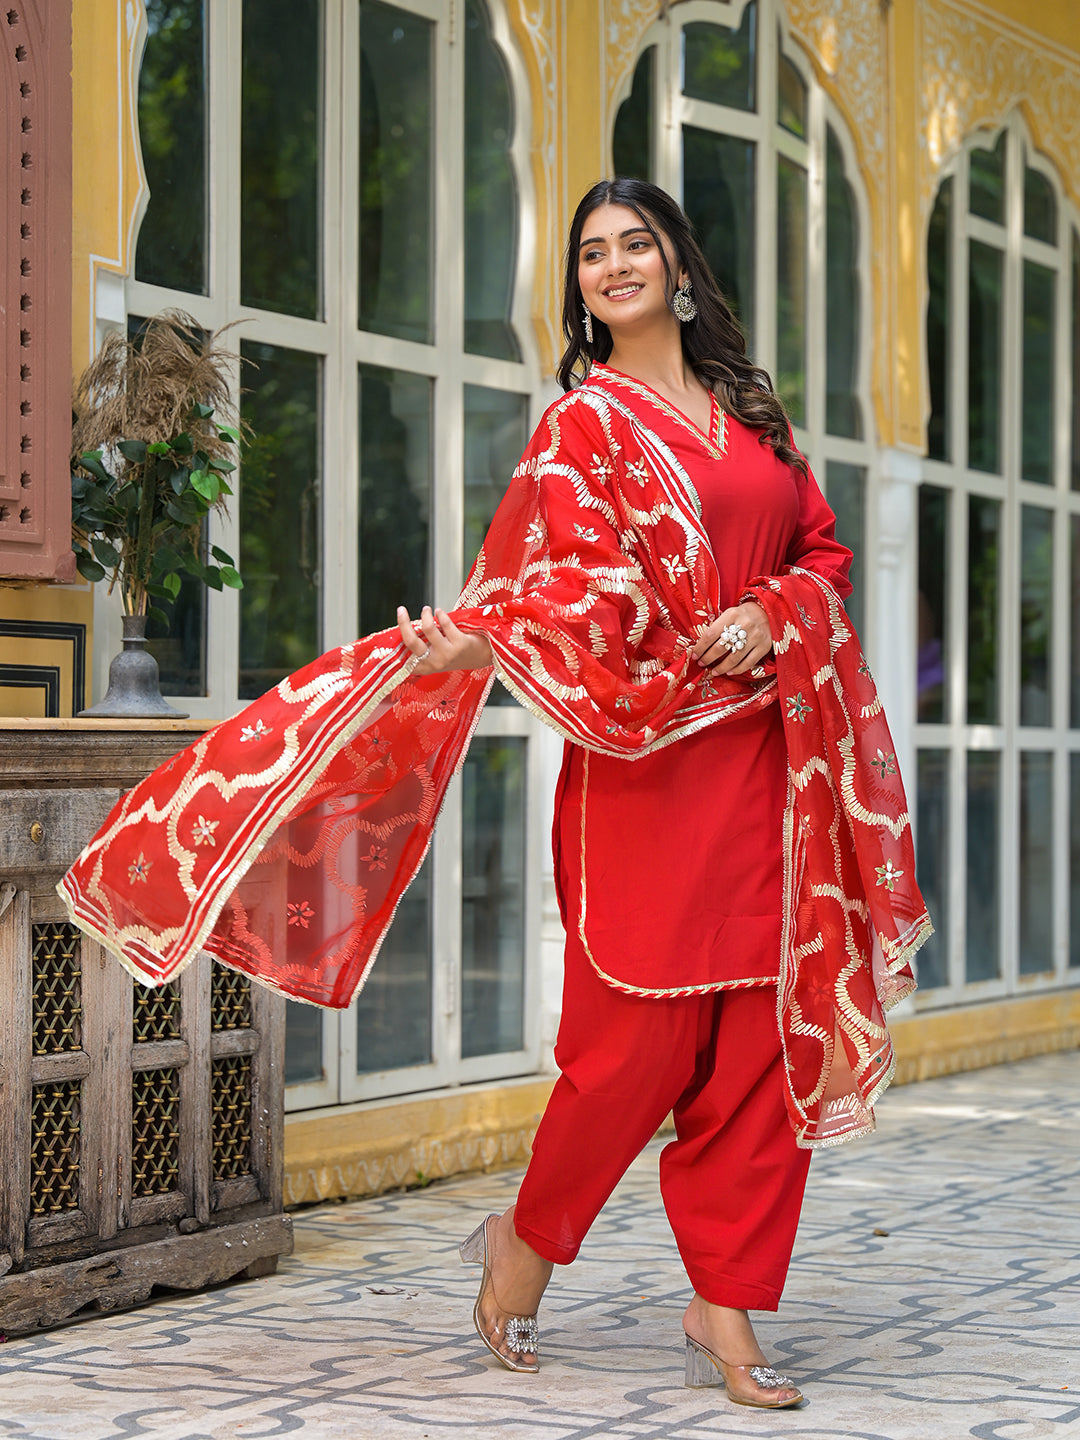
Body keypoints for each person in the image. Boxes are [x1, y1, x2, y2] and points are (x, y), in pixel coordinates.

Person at [61, 179, 928, 1411]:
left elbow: (819, 553)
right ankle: (526, 1241)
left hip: (767, 766)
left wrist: (768, 609)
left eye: (636, 244)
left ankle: (725, 1306)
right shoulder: (583, 429)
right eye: (592, 254)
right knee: (627, 1054)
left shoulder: (751, 412)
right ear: (580, 287)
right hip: (646, 770)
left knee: (754, 1053)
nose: (613, 266)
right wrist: (472, 642)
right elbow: (561, 591)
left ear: (680, 265)